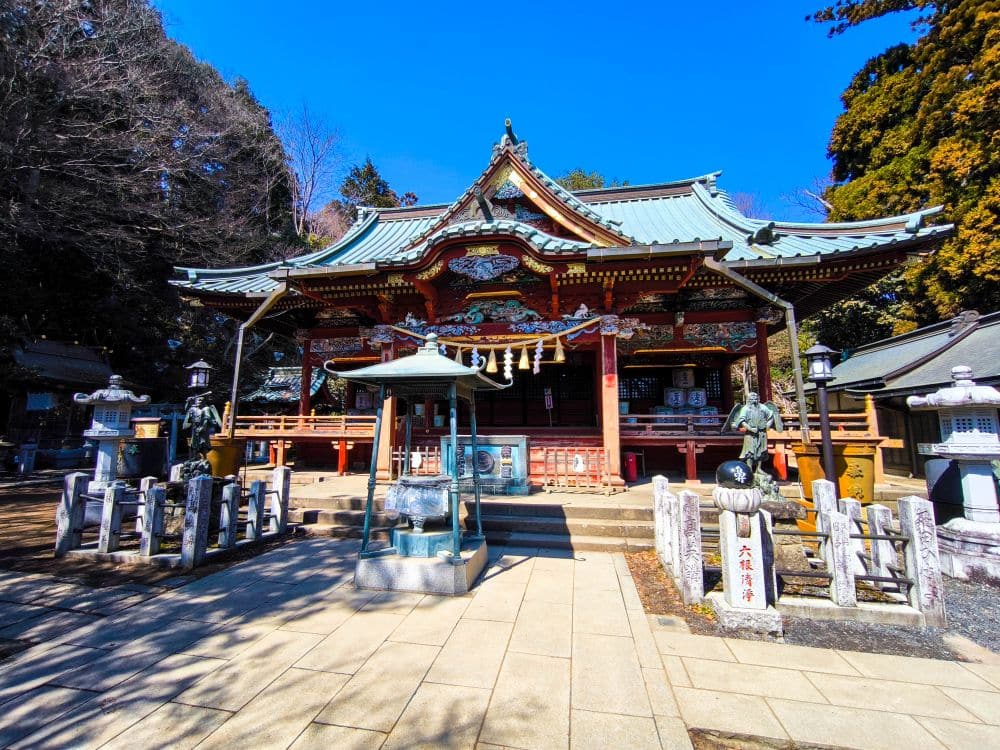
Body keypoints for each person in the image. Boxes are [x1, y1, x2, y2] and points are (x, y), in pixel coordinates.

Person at [724, 392, 782, 474]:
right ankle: (749, 468)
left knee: (761, 450)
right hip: (750, 433)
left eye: (755, 398)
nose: (754, 400)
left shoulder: (763, 407)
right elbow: (742, 420)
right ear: (748, 399)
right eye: (752, 399)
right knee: (749, 451)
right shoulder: (745, 408)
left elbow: (771, 415)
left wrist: (768, 425)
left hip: (762, 432)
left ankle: (759, 468)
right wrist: (750, 428)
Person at [183, 394, 222, 458]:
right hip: (195, 428)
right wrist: (188, 401)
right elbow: (186, 410)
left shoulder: (206, 409)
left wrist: (203, 427)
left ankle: (204, 458)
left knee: (203, 443)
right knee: (194, 444)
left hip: (203, 429)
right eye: (198, 400)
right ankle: (195, 458)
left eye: (201, 400)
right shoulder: (193, 409)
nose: (199, 401)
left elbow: (207, 418)